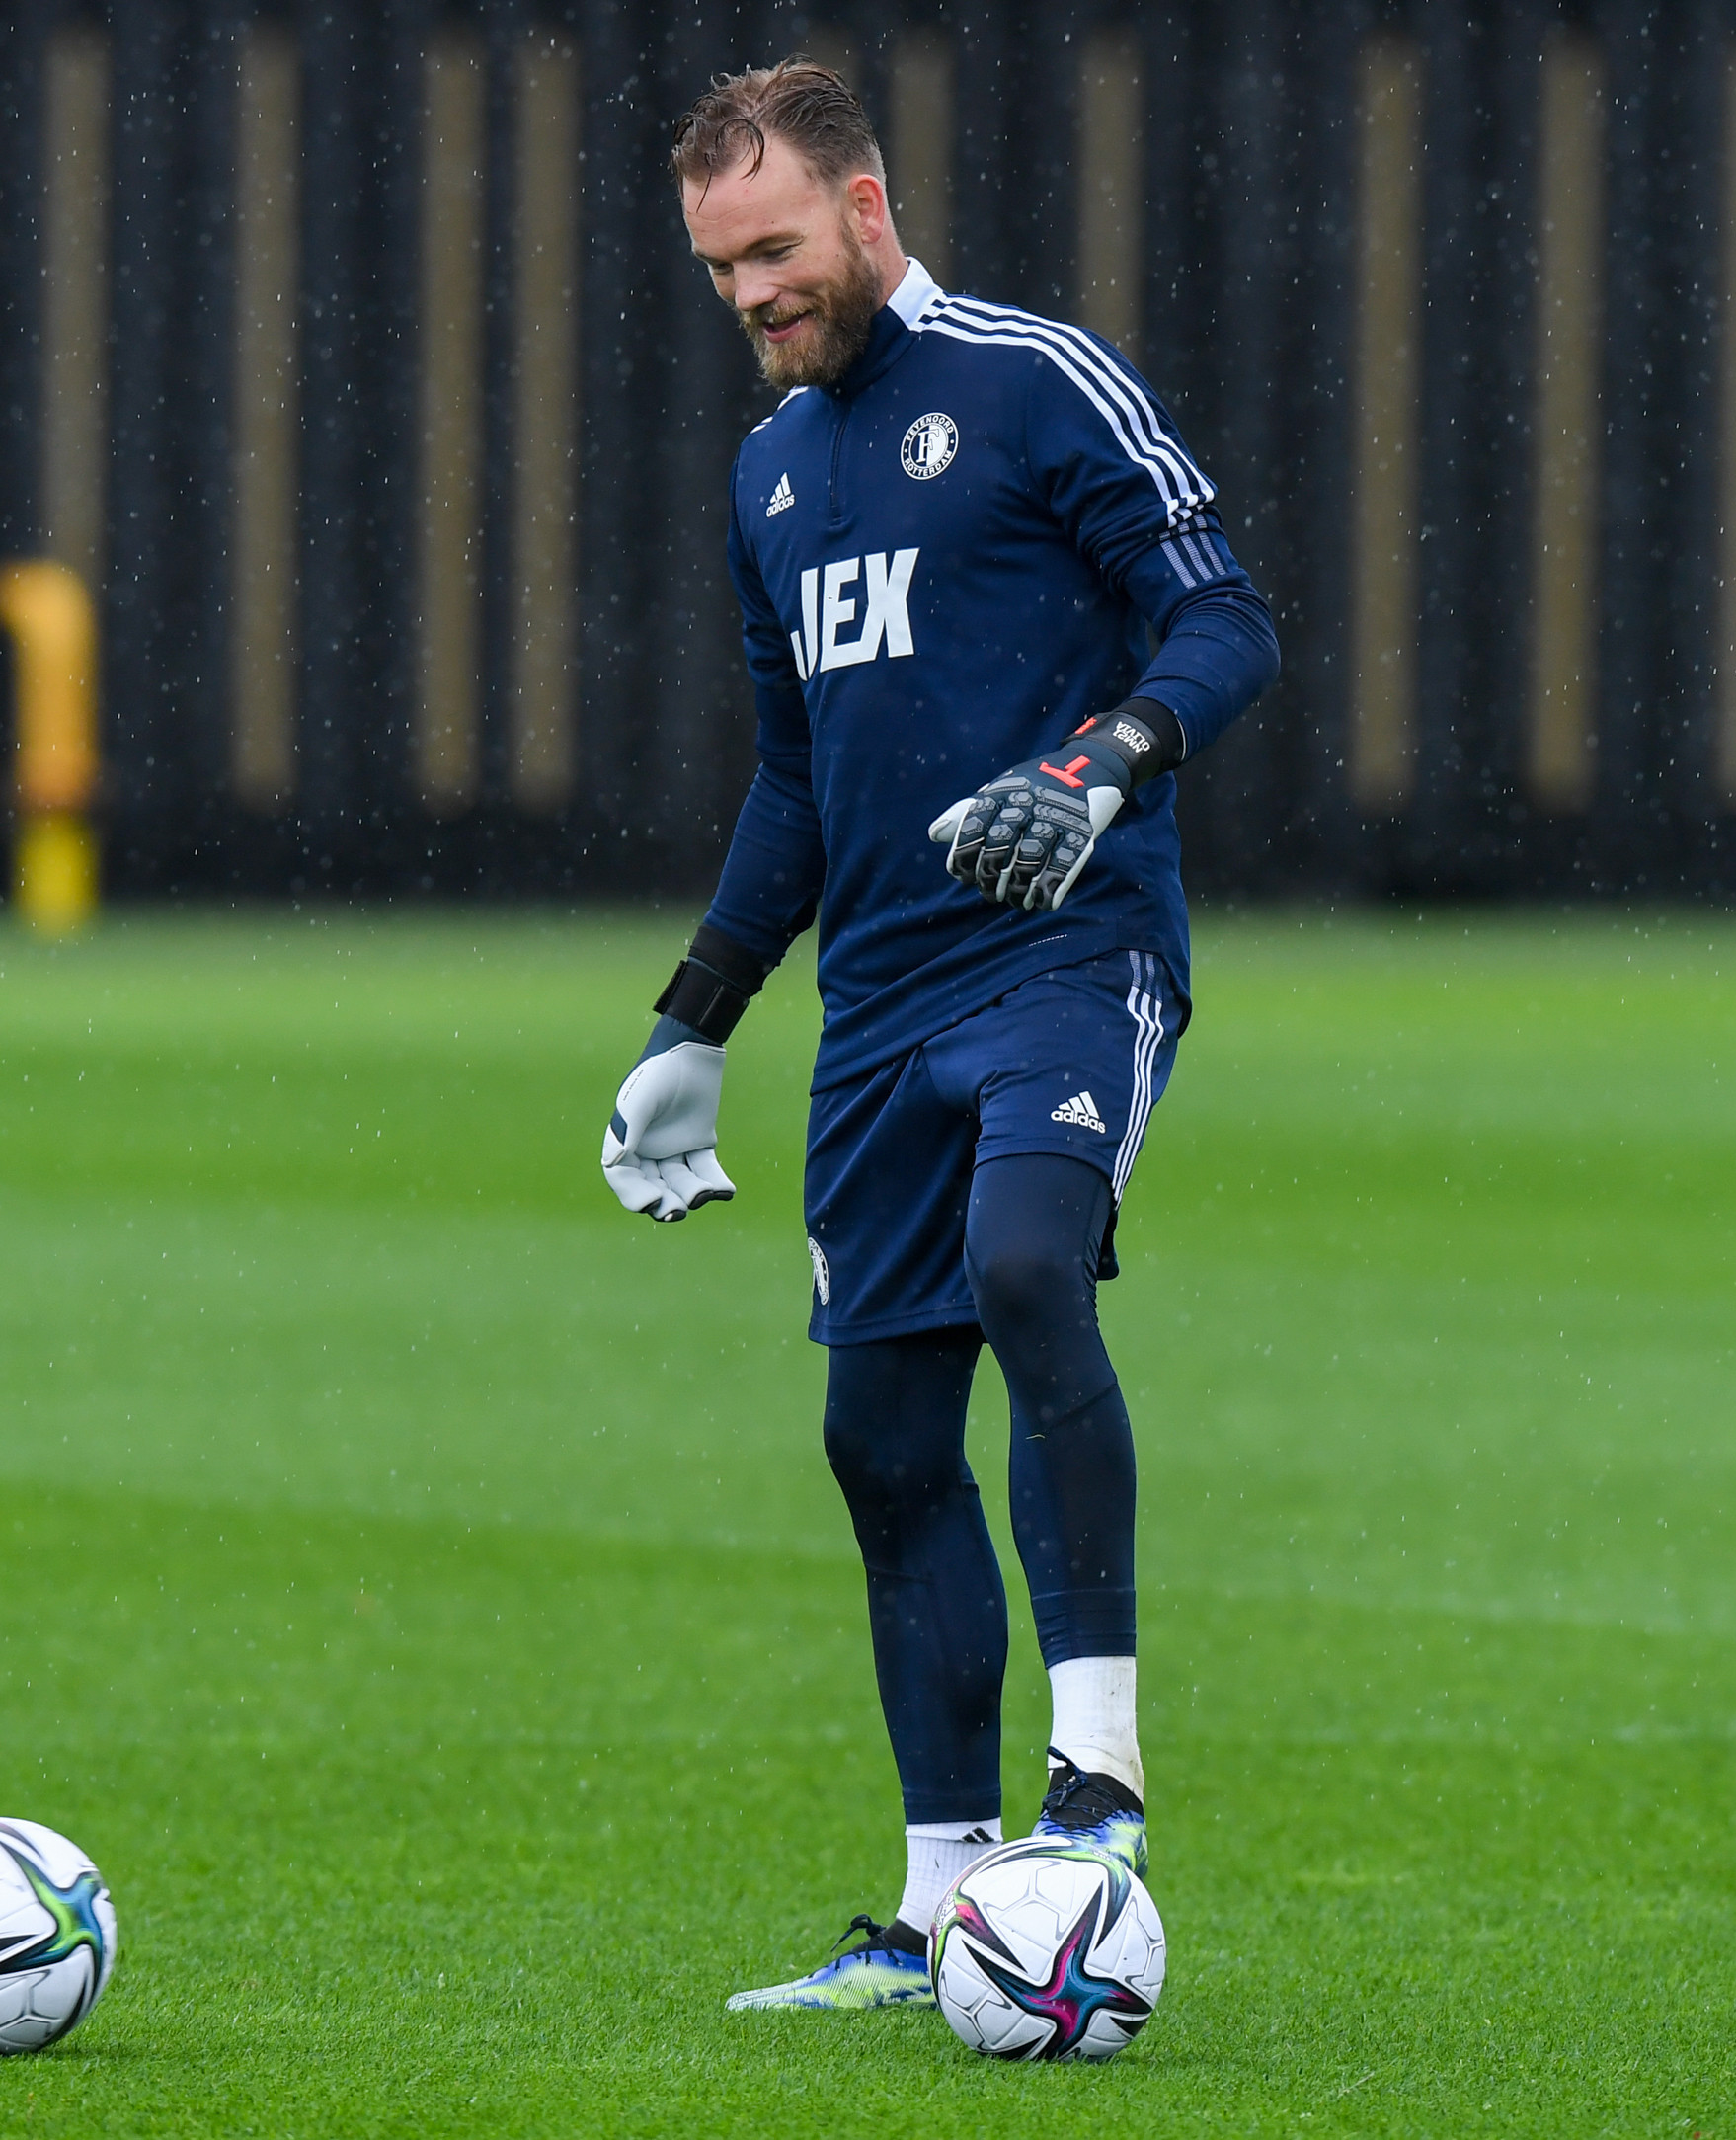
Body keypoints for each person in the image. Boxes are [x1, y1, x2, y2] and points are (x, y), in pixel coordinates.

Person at [601, 59, 1278, 2013]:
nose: (747, 292)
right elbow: (798, 782)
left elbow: (1219, 617)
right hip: (878, 1006)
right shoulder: (770, 477)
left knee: (1024, 1266)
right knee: (878, 1433)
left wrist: (1103, 758)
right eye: (717, 265)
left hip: (1066, 956)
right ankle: (937, 1902)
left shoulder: (1029, 379)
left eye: (775, 249)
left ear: (867, 208)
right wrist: (693, 1018)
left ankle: (1099, 1775)